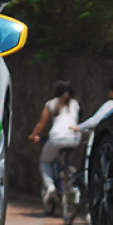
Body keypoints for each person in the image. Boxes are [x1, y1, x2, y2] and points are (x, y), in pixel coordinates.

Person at [29, 80, 81, 214]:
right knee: (67, 164)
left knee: (45, 161)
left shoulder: (51, 104)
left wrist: (33, 135)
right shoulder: (75, 104)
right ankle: (74, 189)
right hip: (74, 138)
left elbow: (41, 124)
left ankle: (50, 187)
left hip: (57, 137)